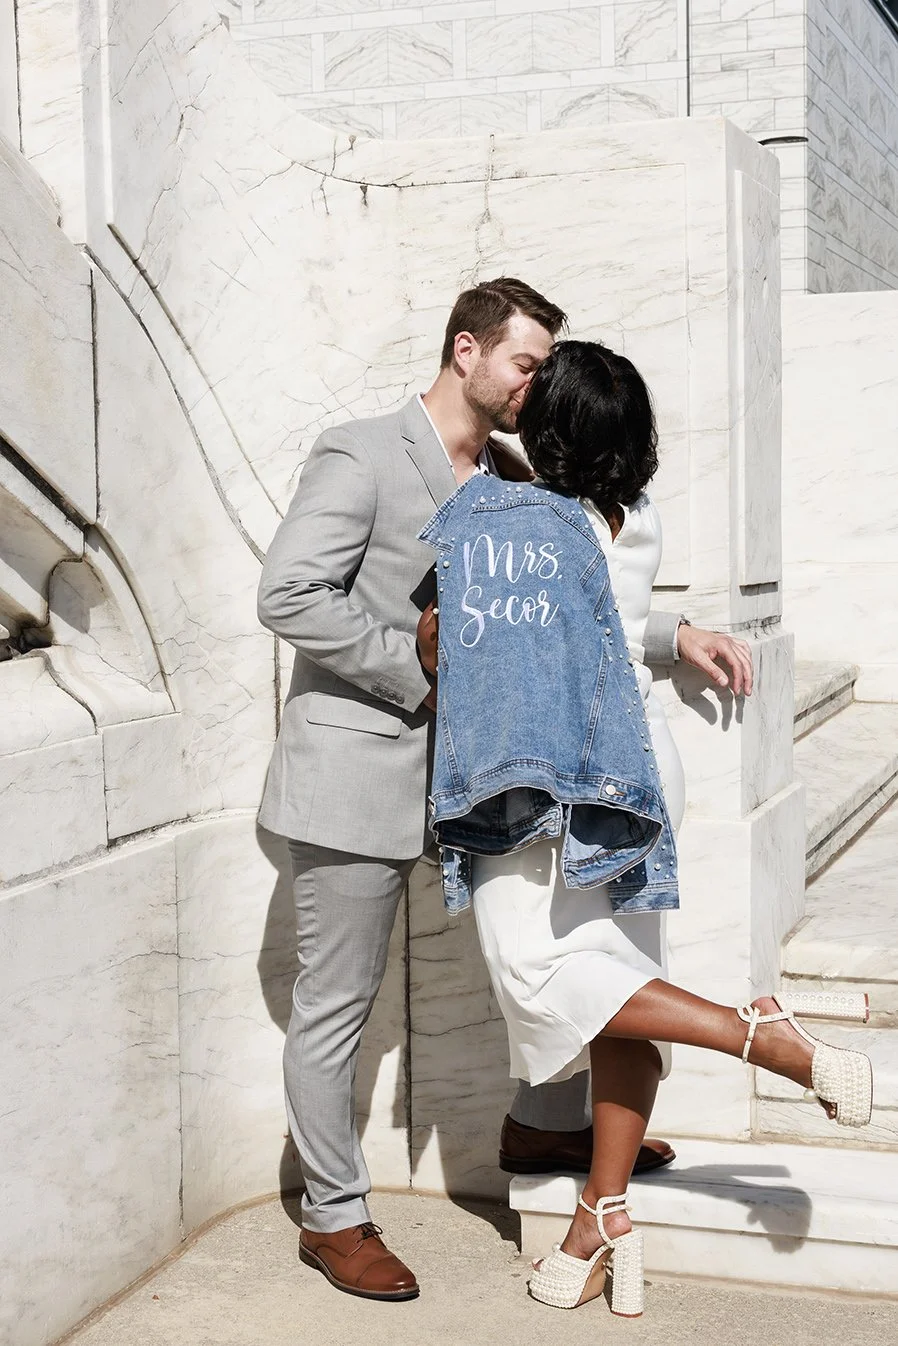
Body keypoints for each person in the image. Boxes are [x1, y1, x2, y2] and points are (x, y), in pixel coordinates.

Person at [256, 279, 755, 1303]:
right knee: (336, 1004)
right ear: (466, 349)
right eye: (526, 363)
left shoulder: (513, 468)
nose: (536, 384)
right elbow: (287, 593)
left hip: (477, 782)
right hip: (354, 774)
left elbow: (568, 597)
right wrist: (413, 659)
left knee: (544, 952)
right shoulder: (360, 451)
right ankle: (334, 1214)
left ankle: (546, 1122)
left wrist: (676, 635)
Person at [459, 341, 873, 1317]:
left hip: (556, 775)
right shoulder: (630, 515)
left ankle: (757, 1031)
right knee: (619, 989)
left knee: (542, 970)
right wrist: (676, 634)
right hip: (641, 771)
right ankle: (601, 1214)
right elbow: (617, 608)